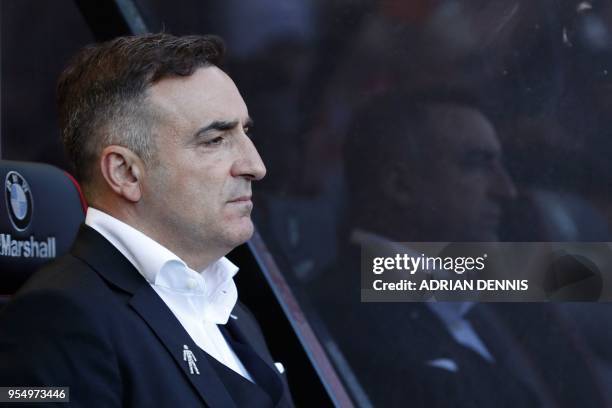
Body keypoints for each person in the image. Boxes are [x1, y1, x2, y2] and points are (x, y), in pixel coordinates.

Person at [0, 33, 294, 407]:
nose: (255, 166)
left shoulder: (227, 307)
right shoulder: (55, 320)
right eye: (215, 139)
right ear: (125, 173)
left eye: (244, 131)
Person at [310, 90, 607, 407]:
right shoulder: (352, 321)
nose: (505, 190)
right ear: (400, 186)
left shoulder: (465, 289)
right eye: (477, 164)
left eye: (500, 165)